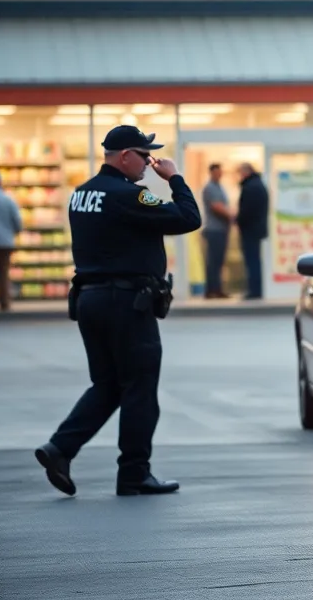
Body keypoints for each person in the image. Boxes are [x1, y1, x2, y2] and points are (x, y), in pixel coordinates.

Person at [34, 125, 201, 498]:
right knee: (140, 389)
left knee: (108, 385)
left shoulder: (82, 194)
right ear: (124, 155)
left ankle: (59, 449)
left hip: (91, 300)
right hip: (125, 302)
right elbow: (189, 218)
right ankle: (134, 474)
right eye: (144, 156)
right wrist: (174, 178)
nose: (148, 163)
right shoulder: (128, 196)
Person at [0, 169, 23, 311]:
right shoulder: (8, 200)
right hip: (5, 243)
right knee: (3, 273)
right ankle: (4, 303)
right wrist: (13, 232)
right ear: (0, 182)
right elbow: (17, 222)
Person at [234, 162, 269, 300]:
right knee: (254, 260)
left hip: (250, 230)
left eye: (240, 172)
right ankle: (255, 289)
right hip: (256, 229)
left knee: (252, 261)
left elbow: (247, 211)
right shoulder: (258, 184)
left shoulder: (251, 187)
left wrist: (238, 220)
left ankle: (254, 291)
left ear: (246, 172)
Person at [200, 162, 232, 298]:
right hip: (214, 230)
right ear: (212, 172)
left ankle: (217, 288)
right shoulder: (210, 188)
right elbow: (216, 206)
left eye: (221, 172)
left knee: (218, 261)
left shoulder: (219, 187)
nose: (219, 174)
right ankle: (212, 290)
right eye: (217, 172)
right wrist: (233, 216)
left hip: (221, 229)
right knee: (213, 261)